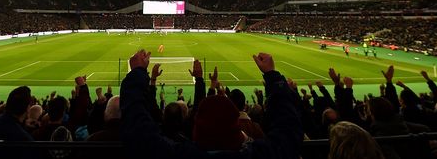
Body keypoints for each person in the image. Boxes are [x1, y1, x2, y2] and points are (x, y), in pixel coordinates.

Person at [120, 49, 303, 158]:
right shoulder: (263, 155)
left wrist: (138, 73)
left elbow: (137, 124)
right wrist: (272, 76)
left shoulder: (174, 154)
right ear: (238, 130)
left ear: (195, 130)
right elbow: (289, 128)